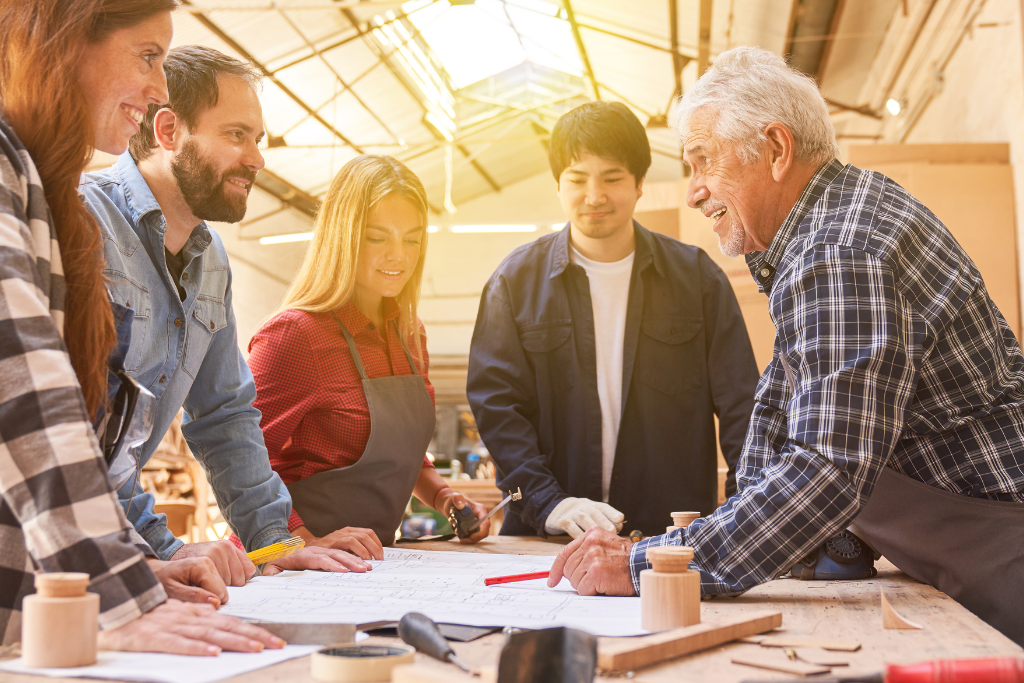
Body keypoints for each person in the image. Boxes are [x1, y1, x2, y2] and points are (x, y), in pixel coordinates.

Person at [546, 47, 1024, 646]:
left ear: (776, 149)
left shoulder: (838, 249)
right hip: (958, 536)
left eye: (703, 163)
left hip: (999, 543)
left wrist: (654, 564)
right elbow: (780, 411)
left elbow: (829, 465)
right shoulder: (820, 231)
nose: (694, 192)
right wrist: (701, 536)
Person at [0, 0, 286, 654]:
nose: (160, 87)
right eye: (148, 56)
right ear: (64, 40)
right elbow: (25, 388)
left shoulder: (40, 188)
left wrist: (139, 566)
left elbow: (224, 412)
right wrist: (113, 585)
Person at [80, 46, 370, 584]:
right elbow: (82, 442)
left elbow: (225, 414)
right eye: (237, 134)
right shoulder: (82, 226)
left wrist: (275, 541)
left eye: (257, 139)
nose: (257, 158)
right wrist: (165, 551)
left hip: (110, 546)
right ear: (168, 131)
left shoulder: (209, 257)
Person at [467, 102, 758, 540]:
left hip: (666, 540)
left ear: (640, 183)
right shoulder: (515, 282)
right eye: (578, 180)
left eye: (612, 178)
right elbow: (496, 406)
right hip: (545, 538)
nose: (594, 196)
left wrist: (745, 515)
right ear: (558, 186)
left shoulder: (696, 279)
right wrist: (550, 502)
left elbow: (743, 407)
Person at [245, 155, 490, 552]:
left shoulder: (410, 335)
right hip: (293, 566)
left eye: (412, 238)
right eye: (378, 237)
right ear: (343, 235)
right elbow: (239, 461)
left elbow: (396, 456)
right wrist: (301, 542)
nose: (399, 255)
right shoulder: (295, 335)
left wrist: (445, 498)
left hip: (375, 565)